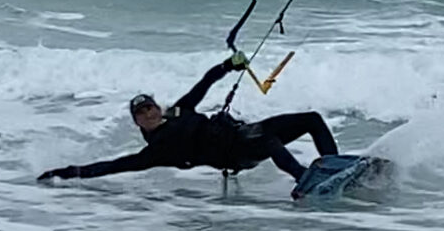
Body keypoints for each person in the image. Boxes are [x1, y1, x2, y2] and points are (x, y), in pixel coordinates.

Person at [37, 52, 339, 185]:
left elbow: (204, 84)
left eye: (150, 107)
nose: (149, 113)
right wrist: (67, 173)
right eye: (141, 113)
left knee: (311, 119)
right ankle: (306, 181)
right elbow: (113, 166)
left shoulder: (178, 110)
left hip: (243, 132)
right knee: (270, 142)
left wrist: (228, 65)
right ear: (137, 123)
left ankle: (335, 167)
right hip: (234, 154)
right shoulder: (156, 152)